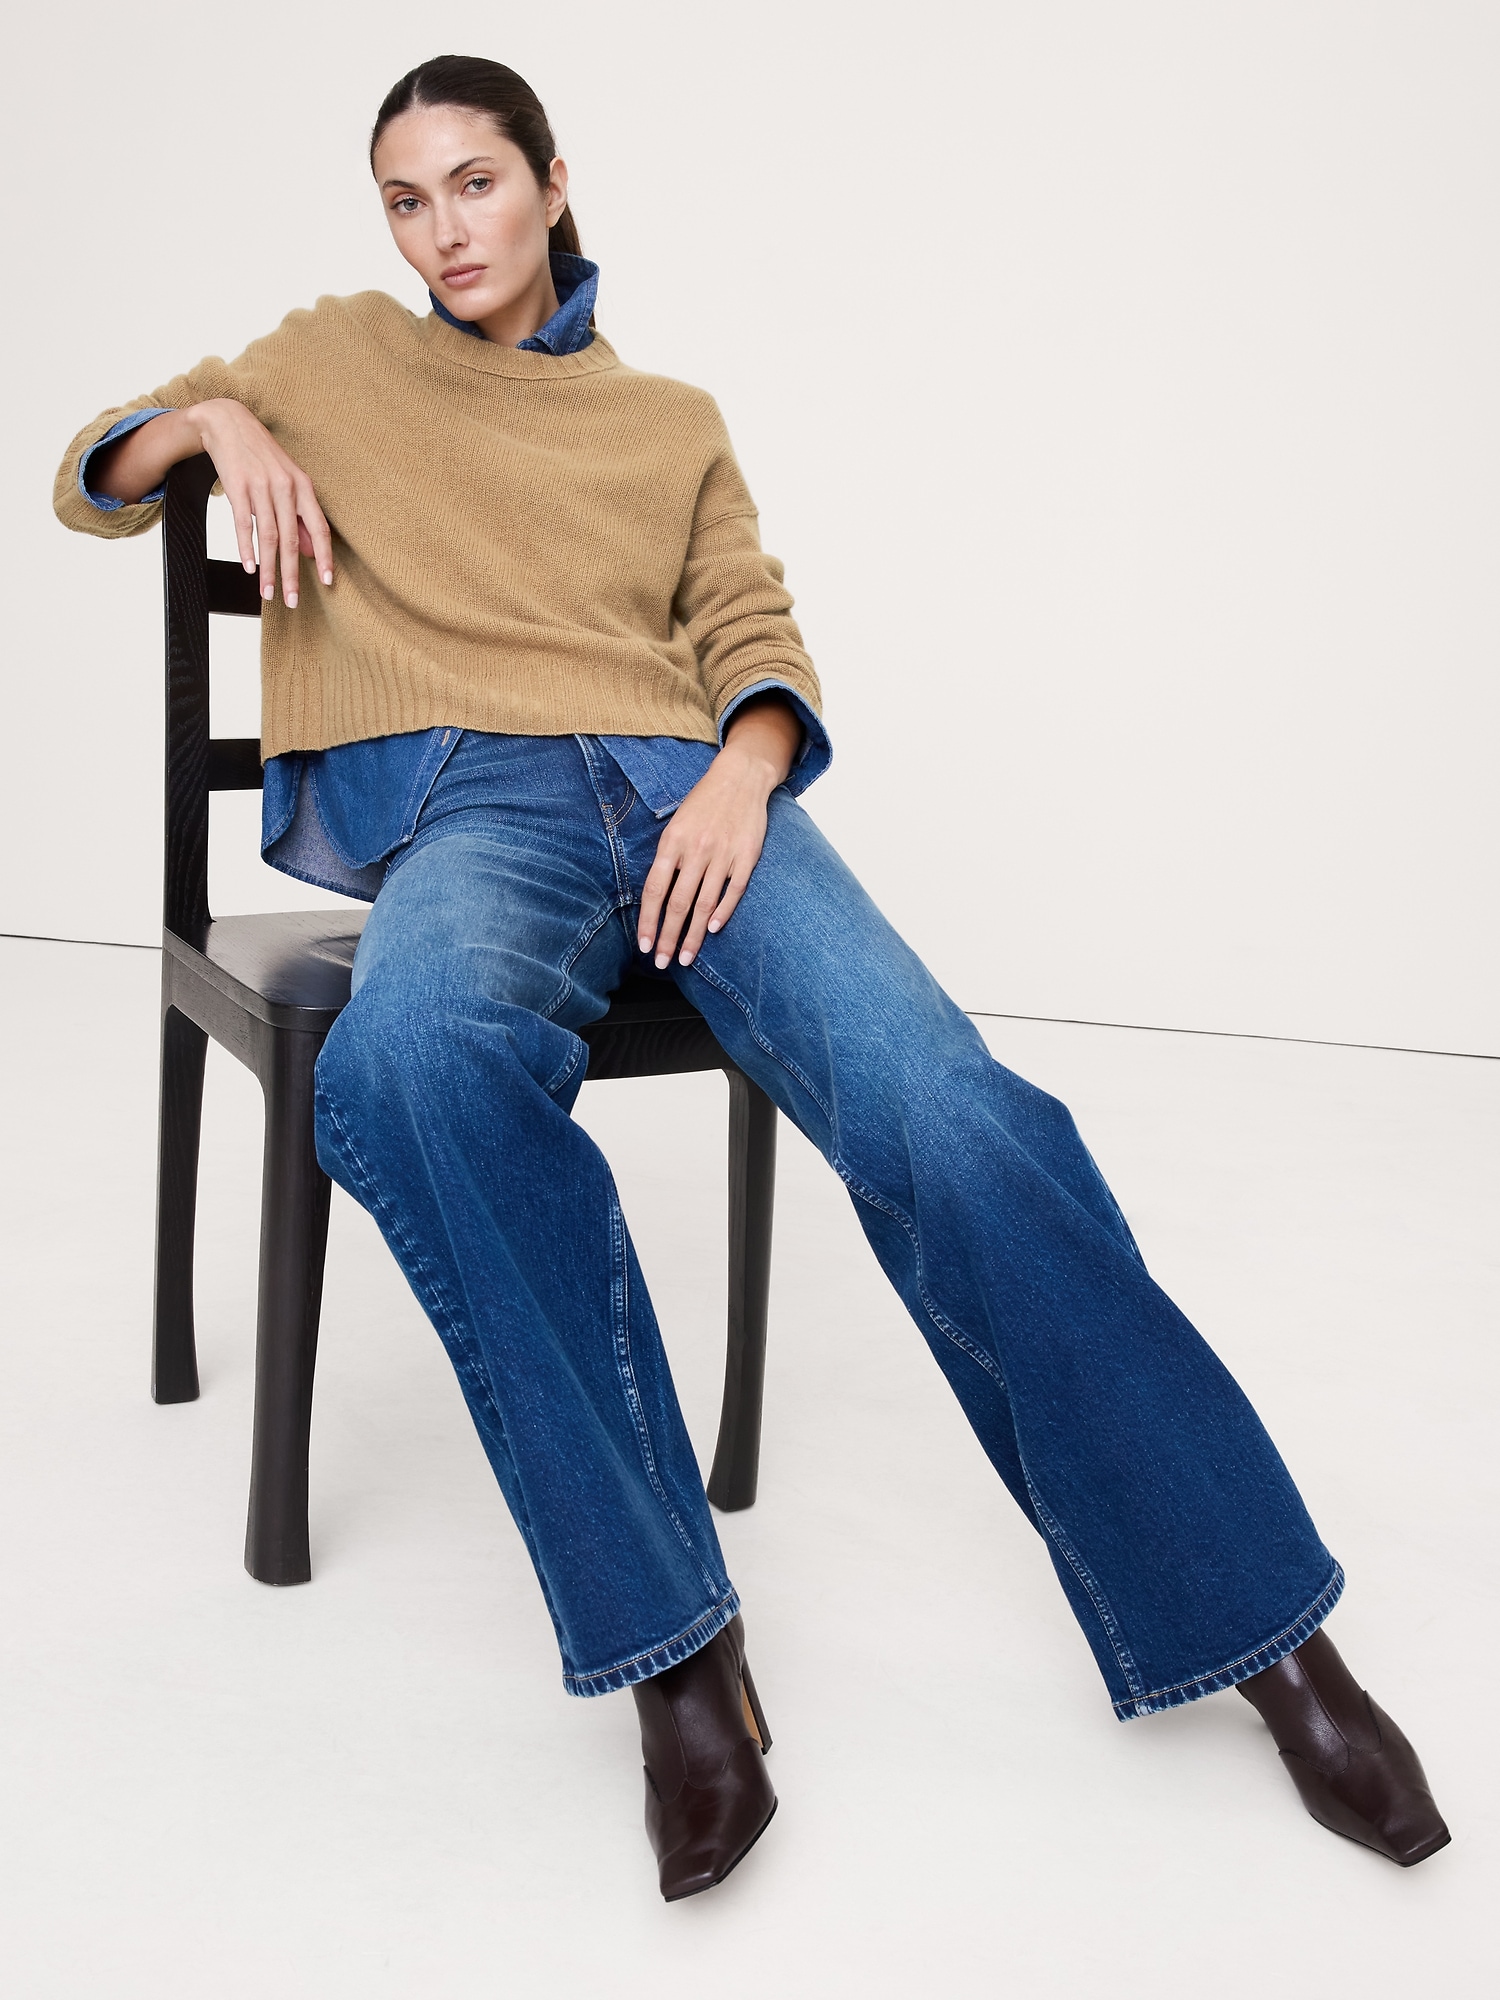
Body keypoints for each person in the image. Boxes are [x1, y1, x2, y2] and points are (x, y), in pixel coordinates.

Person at [54, 55, 1449, 1900]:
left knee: (953, 1114)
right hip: (479, 803)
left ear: (553, 181)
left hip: (690, 795)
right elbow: (92, 474)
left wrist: (745, 764)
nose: (442, 229)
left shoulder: (671, 420)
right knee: (407, 1061)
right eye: (404, 199)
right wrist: (216, 419)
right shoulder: (335, 354)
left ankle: (1270, 1638)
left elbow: (749, 631)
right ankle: (678, 1655)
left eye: (474, 183)